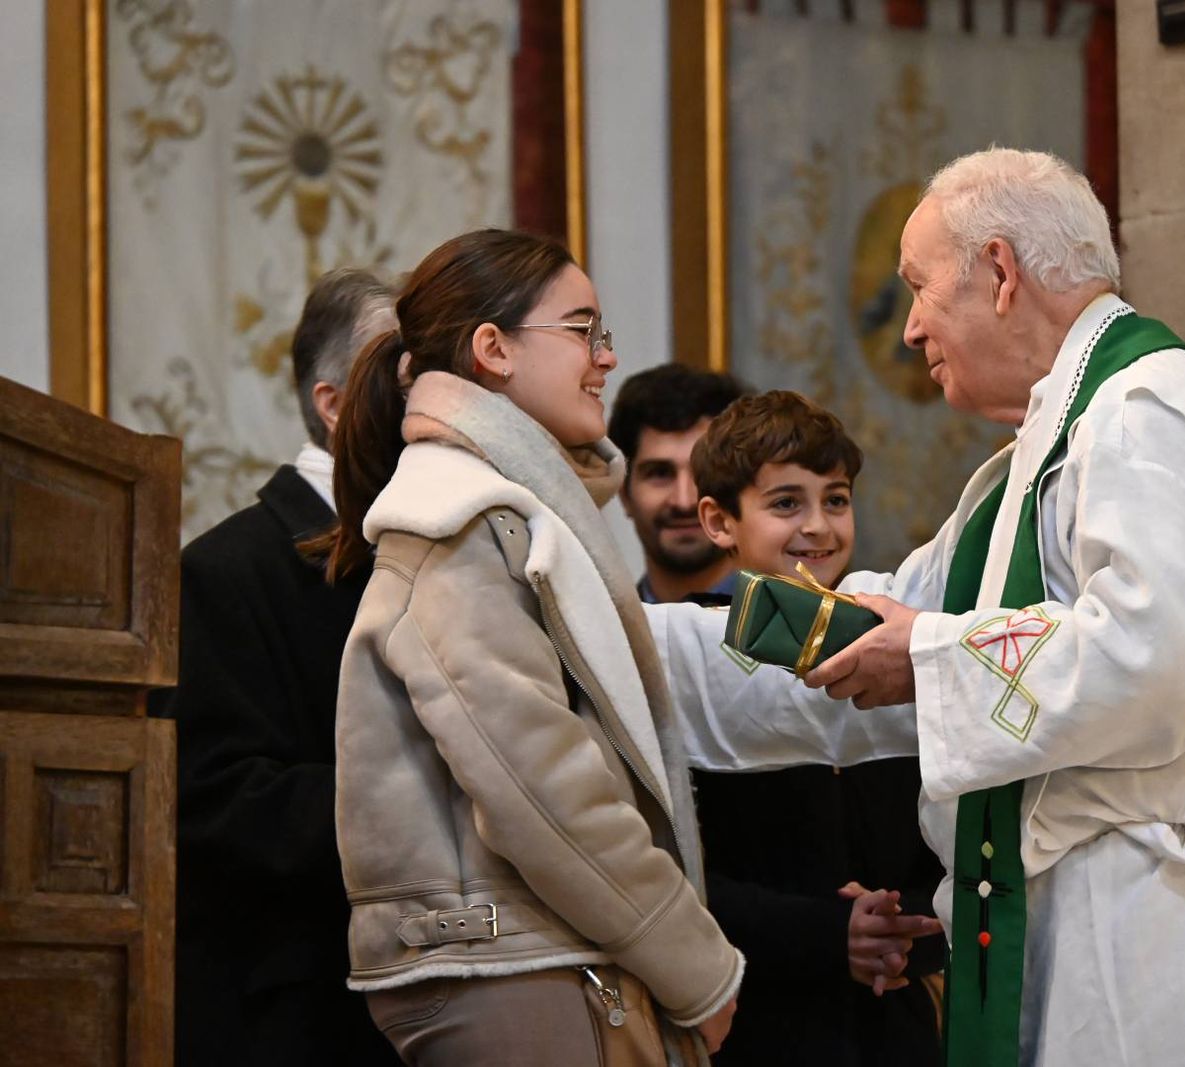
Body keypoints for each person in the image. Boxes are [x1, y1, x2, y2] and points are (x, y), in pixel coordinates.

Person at [650, 148, 1185, 1065]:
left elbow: (1156, 659)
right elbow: (872, 629)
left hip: (1154, 931)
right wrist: (605, 639)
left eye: (919, 289)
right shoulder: (1033, 459)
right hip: (1070, 915)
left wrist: (924, 657)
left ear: (1000, 274)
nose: (912, 328)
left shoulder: (1145, 414)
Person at [321, 228, 747, 1066]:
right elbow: (540, 789)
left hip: (537, 960)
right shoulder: (458, 522)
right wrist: (697, 965)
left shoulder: (496, 515)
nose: (605, 357)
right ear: (493, 350)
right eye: (581, 329)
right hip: (515, 966)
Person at [149, 268, 402, 1066]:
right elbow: (214, 798)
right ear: (333, 405)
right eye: (407, 378)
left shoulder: (433, 556)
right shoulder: (223, 570)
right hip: (295, 1012)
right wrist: (430, 800)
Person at [686, 390, 945, 1066]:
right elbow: (675, 874)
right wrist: (829, 932)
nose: (819, 527)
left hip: (895, 1029)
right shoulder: (686, 654)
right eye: (785, 504)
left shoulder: (892, 649)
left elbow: (943, 839)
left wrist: (904, 922)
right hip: (759, 1026)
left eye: (835, 499)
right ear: (719, 520)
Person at [607, 363, 749, 604]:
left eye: (704, 472)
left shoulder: (805, 632)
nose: (685, 501)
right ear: (624, 494)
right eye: (660, 473)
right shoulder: (600, 635)